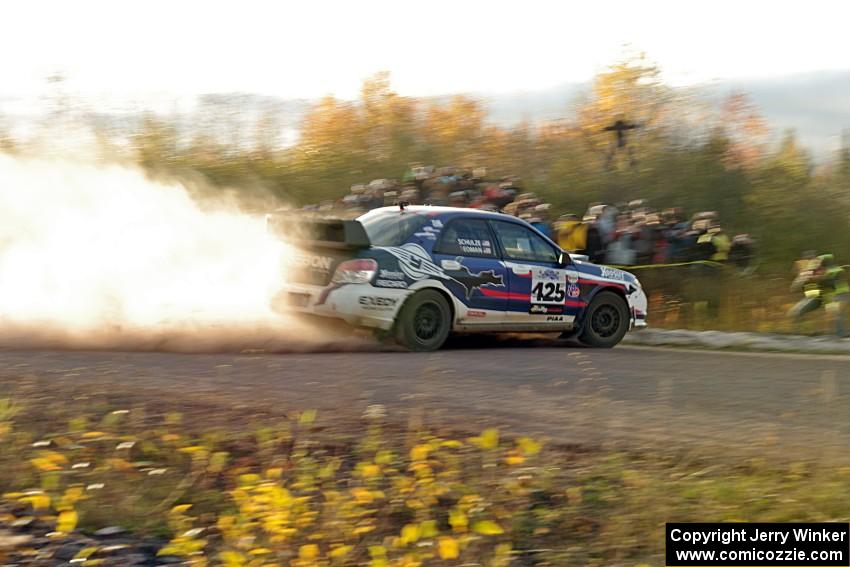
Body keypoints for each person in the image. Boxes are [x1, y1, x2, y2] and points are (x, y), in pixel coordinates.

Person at [788, 253, 850, 337]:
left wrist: (819, 275)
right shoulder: (808, 272)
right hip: (820, 296)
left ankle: (841, 336)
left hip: (837, 293)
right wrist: (801, 280)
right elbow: (794, 288)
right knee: (796, 312)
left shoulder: (831, 268)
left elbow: (831, 279)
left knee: (834, 312)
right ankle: (803, 334)